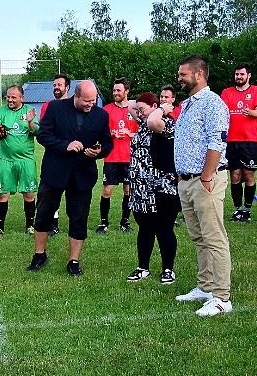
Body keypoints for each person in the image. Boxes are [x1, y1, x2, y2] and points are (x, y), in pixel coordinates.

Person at [27, 81, 113, 276]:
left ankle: (73, 261)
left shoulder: (101, 115)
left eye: (94, 101)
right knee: (43, 215)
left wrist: (98, 152)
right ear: (75, 96)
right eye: (87, 101)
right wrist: (64, 145)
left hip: (82, 175)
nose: (91, 104)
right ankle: (39, 254)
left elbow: (107, 144)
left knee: (78, 219)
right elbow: (43, 136)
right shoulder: (55, 108)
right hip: (54, 173)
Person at [172, 56, 231, 316]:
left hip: (206, 180)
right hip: (187, 181)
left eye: (183, 74)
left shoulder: (213, 104)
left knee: (214, 238)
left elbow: (216, 143)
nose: (179, 79)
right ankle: (205, 287)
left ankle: (222, 297)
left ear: (199, 75)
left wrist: (206, 177)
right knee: (199, 237)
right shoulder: (187, 104)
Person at [125, 92, 179, 285]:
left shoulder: (166, 124)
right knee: (145, 229)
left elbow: (154, 121)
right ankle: (143, 268)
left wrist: (162, 108)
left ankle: (167, 269)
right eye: (138, 111)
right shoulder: (143, 124)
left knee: (164, 229)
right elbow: (130, 104)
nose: (138, 114)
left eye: (143, 110)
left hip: (161, 186)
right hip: (141, 188)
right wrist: (144, 106)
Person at [0, 85, 38, 238]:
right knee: (2, 194)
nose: (10, 99)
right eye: (8, 97)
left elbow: (36, 131)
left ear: (21, 98)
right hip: (6, 159)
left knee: (29, 194)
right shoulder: (1, 111)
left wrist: (30, 122)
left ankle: (30, 226)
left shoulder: (29, 110)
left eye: (13, 97)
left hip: (26, 160)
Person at [220, 62, 257, 223]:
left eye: (242, 74)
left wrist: (249, 112)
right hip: (231, 141)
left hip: (249, 141)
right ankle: (238, 209)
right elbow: (221, 113)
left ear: (248, 75)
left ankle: (248, 210)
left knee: (249, 174)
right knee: (235, 176)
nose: (238, 77)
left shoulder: (256, 91)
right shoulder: (227, 92)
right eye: (237, 74)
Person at [98, 77, 138, 234]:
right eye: (114, 90)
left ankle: (124, 222)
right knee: (107, 190)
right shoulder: (107, 110)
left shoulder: (134, 110)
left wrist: (130, 133)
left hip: (129, 158)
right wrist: (112, 134)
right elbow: (100, 133)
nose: (115, 93)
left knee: (128, 190)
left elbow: (143, 132)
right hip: (111, 157)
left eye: (118, 90)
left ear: (126, 92)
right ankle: (104, 223)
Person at [39, 74, 71, 235]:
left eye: (59, 85)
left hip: (71, 158)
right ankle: (53, 224)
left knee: (73, 193)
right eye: (54, 85)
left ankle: (75, 222)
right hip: (52, 157)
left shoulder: (73, 106)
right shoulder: (47, 106)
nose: (56, 87)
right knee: (51, 192)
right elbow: (44, 133)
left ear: (67, 88)